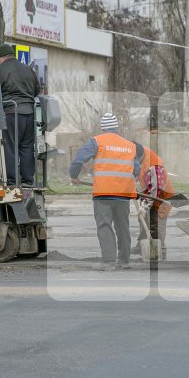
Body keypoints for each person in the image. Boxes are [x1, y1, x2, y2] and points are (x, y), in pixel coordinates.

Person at [70, 113, 140, 270]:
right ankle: (124, 261)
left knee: (104, 225)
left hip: (104, 193)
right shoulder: (130, 145)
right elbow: (136, 169)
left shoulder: (97, 141)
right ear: (116, 127)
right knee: (123, 226)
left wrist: (74, 176)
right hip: (124, 193)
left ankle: (108, 262)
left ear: (103, 127)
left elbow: (78, 160)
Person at [0, 44, 41, 186]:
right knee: (27, 147)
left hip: (11, 114)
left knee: (10, 147)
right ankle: (27, 181)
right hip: (30, 114)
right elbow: (37, 89)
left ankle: (12, 182)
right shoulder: (28, 69)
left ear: (1, 58)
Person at [133, 142, 175, 259]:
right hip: (148, 193)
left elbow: (155, 191)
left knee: (156, 224)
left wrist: (144, 207)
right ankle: (141, 245)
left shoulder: (154, 165)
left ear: (138, 157)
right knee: (143, 220)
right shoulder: (139, 152)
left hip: (161, 198)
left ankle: (160, 251)